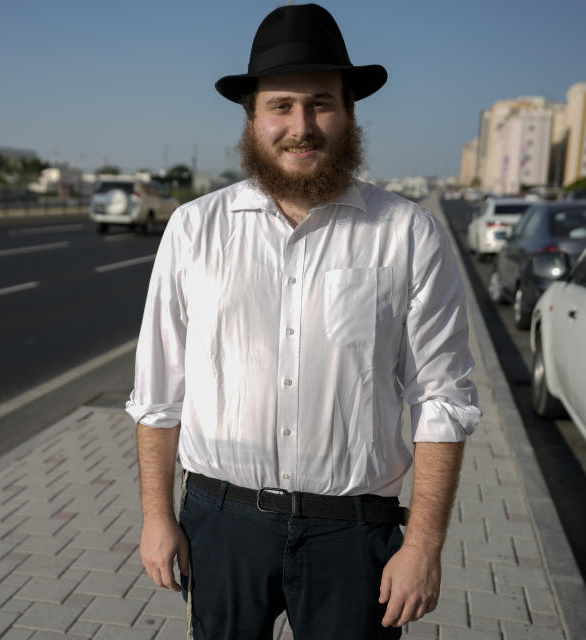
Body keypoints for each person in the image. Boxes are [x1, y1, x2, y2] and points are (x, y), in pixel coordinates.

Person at [126, 4, 481, 639]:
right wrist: (158, 516)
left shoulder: (405, 232)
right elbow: (158, 395)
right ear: (252, 118)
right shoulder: (194, 229)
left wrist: (423, 546)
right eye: (282, 106)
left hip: (356, 533)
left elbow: (443, 399)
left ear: (349, 115)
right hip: (221, 520)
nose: (301, 125)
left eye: (321, 104)